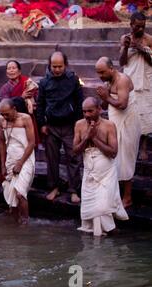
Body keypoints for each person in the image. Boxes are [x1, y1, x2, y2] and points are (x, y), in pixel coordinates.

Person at [73, 97, 129, 236]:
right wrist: (87, 137)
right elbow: (75, 151)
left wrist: (94, 138)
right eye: (84, 111)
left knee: (102, 207)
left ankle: (107, 234)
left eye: (90, 111)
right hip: (89, 172)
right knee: (91, 210)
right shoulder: (79, 125)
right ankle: (100, 237)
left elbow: (113, 153)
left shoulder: (109, 125)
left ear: (99, 109)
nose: (87, 115)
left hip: (106, 173)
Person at [37, 51, 83, 203]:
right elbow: (40, 105)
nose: (57, 69)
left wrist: (78, 124)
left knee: (73, 158)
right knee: (52, 158)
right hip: (51, 127)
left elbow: (79, 102)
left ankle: (73, 190)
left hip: (70, 126)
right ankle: (54, 187)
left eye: (60, 66)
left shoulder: (73, 80)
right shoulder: (44, 82)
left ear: (65, 65)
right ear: (49, 66)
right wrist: (42, 124)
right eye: (54, 66)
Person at [95, 57, 142, 208]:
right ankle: (114, 194)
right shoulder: (108, 82)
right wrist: (103, 97)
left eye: (102, 72)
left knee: (126, 159)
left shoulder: (123, 80)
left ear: (111, 68)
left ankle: (127, 197)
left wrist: (106, 96)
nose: (100, 75)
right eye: (98, 73)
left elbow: (122, 104)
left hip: (128, 123)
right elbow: (104, 105)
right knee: (114, 158)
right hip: (115, 123)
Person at [119, 12, 152, 161]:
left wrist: (140, 48)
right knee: (131, 114)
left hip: (146, 81)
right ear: (131, 25)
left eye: (143, 27)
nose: (140, 29)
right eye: (137, 26)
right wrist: (126, 48)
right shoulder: (125, 38)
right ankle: (131, 146)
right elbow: (121, 62)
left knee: (145, 115)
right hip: (130, 80)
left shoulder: (149, 39)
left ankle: (143, 148)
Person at [0, 98, 35, 225]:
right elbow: (2, 142)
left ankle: (25, 222)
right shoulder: (1, 120)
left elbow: (32, 143)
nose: (4, 116)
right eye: (2, 114)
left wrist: (20, 163)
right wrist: (2, 164)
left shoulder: (25, 118)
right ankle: (16, 223)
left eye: (7, 113)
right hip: (10, 159)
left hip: (26, 158)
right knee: (10, 194)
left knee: (19, 193)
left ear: (14, 109)